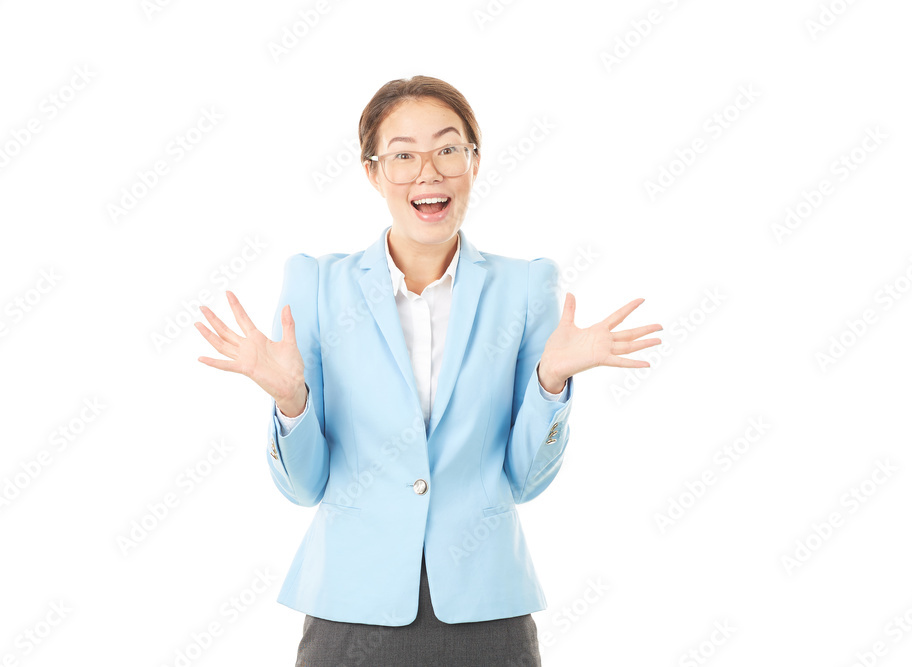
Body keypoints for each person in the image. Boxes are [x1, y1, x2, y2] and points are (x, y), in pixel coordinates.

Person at [195, 75, 662, 666]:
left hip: (486, 610)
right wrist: (291, 401)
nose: (428, 172)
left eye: (448, 149)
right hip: (350, 611)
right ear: (372, 171)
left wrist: (550, 384)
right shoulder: (316, 285)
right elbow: (303, 487)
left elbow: (524, 481)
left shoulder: (524, 287)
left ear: (474, 160)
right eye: (403, 156)